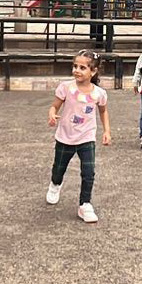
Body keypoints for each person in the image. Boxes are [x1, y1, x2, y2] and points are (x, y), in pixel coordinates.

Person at [46, 50, 112, 223]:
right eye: (75, 66)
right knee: (59, 168)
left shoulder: (99, 93)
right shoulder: (66, 87)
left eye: (83, 67)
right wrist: (52, 114)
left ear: (94, 71)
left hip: (86, 137)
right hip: (65, 137)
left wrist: (106, 131)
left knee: (89, 172)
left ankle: (85, 204)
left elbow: (103, 112)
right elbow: (54, 106)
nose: (77, 70)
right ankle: (55, 184)